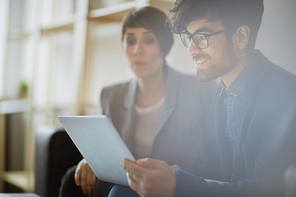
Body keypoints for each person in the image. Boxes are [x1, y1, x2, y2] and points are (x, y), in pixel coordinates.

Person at [112, 0, 296, 196]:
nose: (191, 50)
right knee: (121, 190)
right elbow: (221, 173)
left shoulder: (284, 94)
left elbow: (267, 191)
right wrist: (178, 175)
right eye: (190, 37)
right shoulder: (222, 93)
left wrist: (178, 185)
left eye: (202, 36)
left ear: (241, 37)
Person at [59, 6, 219, 197]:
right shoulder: (111, 94)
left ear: (164, 46)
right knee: (73, 180)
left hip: (175, 185)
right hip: (127, 179)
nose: (137, 50)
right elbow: (106, 150)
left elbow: (213, 159)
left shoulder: (200, 89)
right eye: (130, 41)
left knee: (121, 193)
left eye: (148, 40)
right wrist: (91, 161)